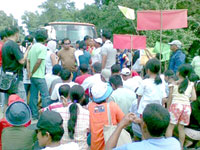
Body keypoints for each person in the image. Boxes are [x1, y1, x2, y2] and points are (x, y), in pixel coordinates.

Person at [105, 103, 181, 150]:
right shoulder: (175, 144)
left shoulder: (132, 148)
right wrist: (141, 124)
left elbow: (108, 149)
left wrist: (120, 125)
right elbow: (147, 141)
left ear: (144, 126)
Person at [166, 64, 196, 147]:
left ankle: (168, 146)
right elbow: (194, 98)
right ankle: (181, 147)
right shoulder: (191, 84)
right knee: (181, 128)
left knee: (170, 126)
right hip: (186, 107)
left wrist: (168, 108)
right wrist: (186, 99)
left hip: (176, 106)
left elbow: (170, 98)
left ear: (178, 73)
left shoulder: (173, 84)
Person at [89, 82, 124, 150]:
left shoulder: (90, 107)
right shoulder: (112, 106)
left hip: (95, 147)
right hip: (110, 146)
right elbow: (123, 121)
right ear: (107, 96)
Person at [2, 26, 30, 112]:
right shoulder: (13, 45)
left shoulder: (5, 45)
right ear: (17, 34)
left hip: (6, 76)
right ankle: (21, 120)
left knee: (7, 101)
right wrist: (27, 50)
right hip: (16, 77)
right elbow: (21, 60)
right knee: (21, 100)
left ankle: (6, 119)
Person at [27, 29, 50, 120]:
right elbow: (39, 61)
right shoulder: (43, 47)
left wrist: (29, 72)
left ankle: (34, 115)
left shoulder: (32, 47)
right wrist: (32, 71)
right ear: (45, 38)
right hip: (39, 76)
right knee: (45, 96)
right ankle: (45, 115)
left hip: (33, 77)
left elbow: (28, 61)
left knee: (33, 95)